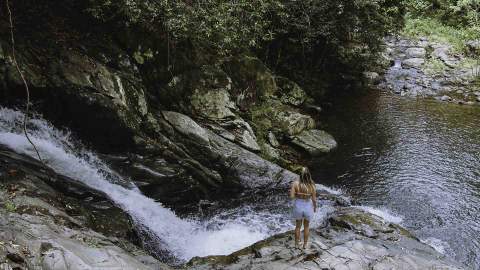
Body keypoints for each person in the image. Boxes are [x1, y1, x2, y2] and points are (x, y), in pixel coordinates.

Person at [290, 167, 317, 249]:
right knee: (306, 226)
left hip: (298, 205)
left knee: (298, 226)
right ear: (308, 175)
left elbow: (291, 197)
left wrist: (297, 194)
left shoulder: (295, 184)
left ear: (300, 175)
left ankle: (296, 244)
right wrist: (315, 208)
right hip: (308, 206)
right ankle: (305, 245)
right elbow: (314, 199)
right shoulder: (312, 185)